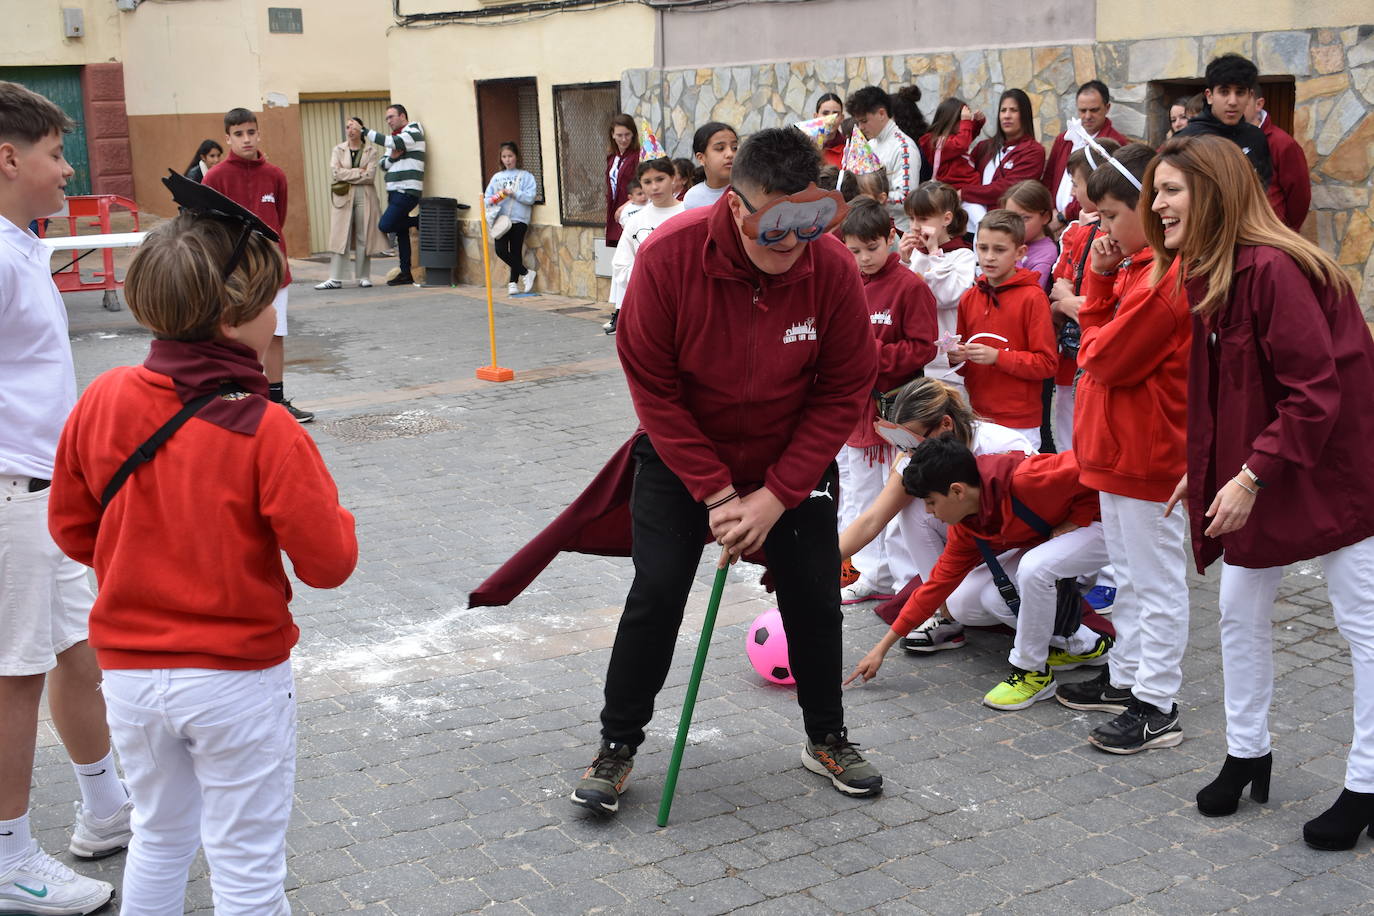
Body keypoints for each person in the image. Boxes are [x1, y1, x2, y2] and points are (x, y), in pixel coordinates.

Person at [48, 174, 358, 914]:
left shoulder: (104, 397)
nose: (275, 318)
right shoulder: (265, 427)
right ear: (233, 318)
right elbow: (329, 564)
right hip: (234, 679)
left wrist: (143, 564)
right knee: (248, 868)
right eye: (267, 304)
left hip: (128, 673)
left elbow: (69, 526)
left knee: (159, 836)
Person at [569, 127, 882, 815]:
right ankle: (616, 745)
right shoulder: (669, 257)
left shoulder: (828, 268)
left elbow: (844, 389)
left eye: (804, 228)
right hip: (682, 457)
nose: (793, 247)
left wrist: (776, 494)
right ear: (738, 205)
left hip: (788, 461)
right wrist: (715, 492)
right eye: (775, 230)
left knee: (814, 594)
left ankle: (827, 735)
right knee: (655, 593)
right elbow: (654, 390)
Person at [1148, 134, 1374, 850]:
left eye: (1170, 191)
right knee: (1240, 611)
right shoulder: (1213, 272)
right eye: (1155, 192)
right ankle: (1248, 752)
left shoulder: (1273, 269)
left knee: (1364, 627)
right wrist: (1208, 466)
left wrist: (1246, 475)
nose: (1156, 206)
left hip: (1338, 473)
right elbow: (1232, 391)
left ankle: (1368, 783)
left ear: (1212, 193)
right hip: (1270, 465)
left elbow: (1315, 394)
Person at [0, 79, 123, 916]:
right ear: (8, 158)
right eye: (54, 153)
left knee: (80, 646)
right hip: (12, 495)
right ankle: (7, 856)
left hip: (48, 498)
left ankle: (107, 809)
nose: (67, 167)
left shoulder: (19, 244)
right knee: (16, 675)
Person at [1055, 142, 1192, 755]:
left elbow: (1102, 355)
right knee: (1132, 578)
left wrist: (1095, 297)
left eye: (1111, 214)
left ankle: (1157, 704)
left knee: (1154, 582)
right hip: (1120, 452)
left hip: (1148, 457)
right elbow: (1101, 334)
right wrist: (1105, 282)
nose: (1101, 228)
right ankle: (1129, 678)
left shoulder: (1167, 277)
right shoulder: (1142, 267)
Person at [846, 437, 1112, 710]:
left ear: (957, 491)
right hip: (1059, 543)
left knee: (1034, 567)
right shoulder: (966, 525)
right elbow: (934, 587)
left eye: (930, 502)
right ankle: (1085, 645)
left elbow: (1097, 466)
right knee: (964, 603)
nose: (929, 512)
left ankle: (1031, 673)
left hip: (1109, 524)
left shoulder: (1028, 478)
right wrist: (882, 648)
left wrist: (1078, 516)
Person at [837, 378, 1033, 645]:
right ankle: (943, 611)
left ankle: (1061, 639)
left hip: (1020, 542)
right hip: (976, 545)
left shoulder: (1000, 446)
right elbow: (872, 520)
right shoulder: (916, 453)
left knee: (985, 600)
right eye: (902, 442)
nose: (910, 452)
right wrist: (817, 566)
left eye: (915, 441)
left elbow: (1042, 504)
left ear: (946, 424)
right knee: (916, 509)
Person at [835, 198, 938, 606]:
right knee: (860, 496)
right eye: (854, 251)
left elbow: (924, 347)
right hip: (857, 413)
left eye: (872, 248)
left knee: (898, 498)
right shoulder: (847, 285)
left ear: (891, 238)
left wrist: (872, 355)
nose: (864, 259)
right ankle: (867, 572)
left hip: (898, 412)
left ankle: (904, 580)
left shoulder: (911, 286)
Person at [203, 107, 313, 423]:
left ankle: (276, 399)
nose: (246, 139)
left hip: (275, 273)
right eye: (238, 134)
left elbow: (279, 218)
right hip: (236, 274)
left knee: (276, 333)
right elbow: (211, 225)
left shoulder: (275, 175)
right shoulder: (215, 177)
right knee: (236, 336)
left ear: (258, 133)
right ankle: (241, 398)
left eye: (251, 132)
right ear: (228, 138)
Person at [952, 209, 1057, 447]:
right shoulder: (969, 297)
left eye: (999, 250)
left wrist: (998, 357)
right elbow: (963, 367)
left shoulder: (1033, 297)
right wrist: (957, 357)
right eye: (983, 248)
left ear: (1020, 252)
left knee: (1016, 482)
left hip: (1019, 420)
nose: (989, 257)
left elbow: (1047, 364)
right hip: (977, 415)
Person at [1046, 138, 1122, 452]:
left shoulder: (1119, 236)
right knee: (1066, 419)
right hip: (1071, 344)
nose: (1074, 192)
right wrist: (1065, 301)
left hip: (1100, 342)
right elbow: (1058, 281)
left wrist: (1074, 299)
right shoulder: (1077, 231)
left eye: (1077, 184)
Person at [899, 182, 976, 397]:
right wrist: (903, 263)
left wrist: (934, 253)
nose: (914, 226)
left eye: (923, 219)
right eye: (912, 218)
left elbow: (947, 297)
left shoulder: (962, 255)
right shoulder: (914, 254)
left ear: (946, 219)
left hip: (945, 361)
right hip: (915, 356)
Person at [604, 156, 684, 335]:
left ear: (673, 178)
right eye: (647, 182)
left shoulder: (688, 212)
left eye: (660, 179)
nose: (654, 187)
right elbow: (620, 265)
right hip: (650, 304)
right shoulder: (636, 221)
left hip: (685, 303)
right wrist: (649, 272)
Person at [1174, 54, 1272, 188]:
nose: (1232, 101)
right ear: (1210, 96)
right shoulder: (1186, 141)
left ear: (1250, 96)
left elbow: (1262, 191)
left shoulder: (1257, 138)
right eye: (1224, 92)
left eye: (1240, 93)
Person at [316, 116, 387, 291]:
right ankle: (335, 278)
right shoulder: (338, 149)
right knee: (341, 236)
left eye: (354, 127)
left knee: (364, 236)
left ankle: (364, 276)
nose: (350, 130)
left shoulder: (371, 151)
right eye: (347, 127)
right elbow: (336, 173)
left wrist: (349, 172)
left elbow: (370, 176)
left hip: (365, 195)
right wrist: (358, 172)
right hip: (343, 195)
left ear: (361, 129)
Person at [1041, 81, 1129, 223]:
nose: (1087, 116)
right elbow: (1049, 178)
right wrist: (1050, 210)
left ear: (1107, 108)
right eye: (1082, 110)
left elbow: (1103, 190)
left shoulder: (1115, 144)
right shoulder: (1064, 139)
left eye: (1094, 110)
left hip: (1088, 221)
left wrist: (1063, 217)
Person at [962, 89, 1047, 235]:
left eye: (1013, 110)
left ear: (1024, 115)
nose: (1007, 116)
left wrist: (964, 193)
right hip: (968, 226)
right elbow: (962, 170)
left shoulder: (1034, 151)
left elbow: (1007, 189)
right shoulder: (984, 147)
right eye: (1003, 110)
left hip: (1005, 229)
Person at [364, 103, 426, 286]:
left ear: (403, 116)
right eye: (386, 118)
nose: (388, 121)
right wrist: (393, 157)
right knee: (401, 232)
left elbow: (395, 144)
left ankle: (420, 221)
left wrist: (366, 132)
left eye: (391, 117)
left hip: (407, 190)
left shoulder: (413, 131)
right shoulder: (394, 138)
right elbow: (383, 164)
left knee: (385, 224)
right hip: (394, 191)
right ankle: (406, 273)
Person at [845, 86, 919, 234]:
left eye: (864, 121)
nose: (860, 127)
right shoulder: (870, 144)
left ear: (881, 113)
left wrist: (866, 197)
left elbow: (907, 198)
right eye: (858, 122)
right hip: (872, 226)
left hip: (898, 231)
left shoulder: (904, 148)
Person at [1244, 93, 1310, 233]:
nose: (1234, 103)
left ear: (1259, 104)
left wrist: (1284, 231)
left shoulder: (1282, 143)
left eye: (1242, 97)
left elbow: (1299, 197)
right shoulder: (1225, 139)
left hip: (1270, 235)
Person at [484, 141, 539, 296]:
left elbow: (530, 198)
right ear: (500, 159)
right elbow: (486, 199)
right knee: (500, 250)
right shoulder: (497, 177)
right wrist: (497, 197)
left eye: (510, 156)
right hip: (501, 220)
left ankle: (513, 283)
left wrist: (514, 193)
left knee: (515, 251)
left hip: (519, 219)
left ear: (516, 157)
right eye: (504, 156)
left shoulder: (526, 176)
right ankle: (526, 273)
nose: (507, 160)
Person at [999, 179, 1058, 294]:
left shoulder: (1046, 255)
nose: (1015, 224)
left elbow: (1029, 296)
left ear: (1045, 217)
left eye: (1025, 218)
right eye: (1009, 217)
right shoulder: (1011, 242)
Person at [917, 98, 984, 191]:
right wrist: (966, 122)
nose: (966, 124)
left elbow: (966, 137)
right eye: (963, 119)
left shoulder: (953, 138)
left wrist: (977, 122)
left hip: (968, 188)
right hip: (954, 190)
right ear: (951, 120)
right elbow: (961, 144)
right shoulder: (934, 142)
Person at [681, 122, 738, 210]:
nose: (730, 154)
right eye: (720, 148)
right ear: (701, 158)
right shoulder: (693, 198)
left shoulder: (750, 190)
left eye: (734, 148)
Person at [604, 114, 639, 247]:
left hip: (633, 212)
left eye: (627, 134)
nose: (623, 139)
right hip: (614, 214)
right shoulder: (612, 157)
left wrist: (626, 206)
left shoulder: (638, 156)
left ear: (633, 134)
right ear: (612, 135)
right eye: (619, 135)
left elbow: (644, 187)